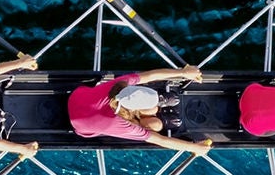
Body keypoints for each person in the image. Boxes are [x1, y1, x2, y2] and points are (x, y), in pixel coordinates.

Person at [68, 65, 213, 156]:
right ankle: (158, 114)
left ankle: (156, 107)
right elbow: (160, 140)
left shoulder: (118, 87)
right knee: (156, 125)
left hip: (77, 96)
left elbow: (149, 76)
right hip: (81, 128)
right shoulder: (117, 124)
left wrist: (184, 72)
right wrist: (194, 147)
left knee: (153, 110)